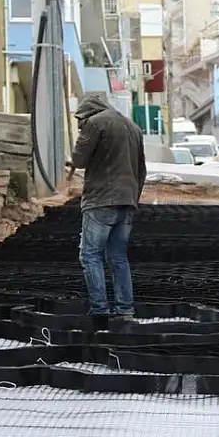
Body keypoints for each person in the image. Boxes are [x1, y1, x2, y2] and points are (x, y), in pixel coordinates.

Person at [70, 92, 147, 319]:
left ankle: (100, 311)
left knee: (90, 255)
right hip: (127, 201)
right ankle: (125, 311)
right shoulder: (132, 127)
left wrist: (82, 135)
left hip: (101, 201)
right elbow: (141, 170)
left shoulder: (95, 123)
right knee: (118, 257)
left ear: (86, 113)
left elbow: (78, 159)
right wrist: (133, 199)